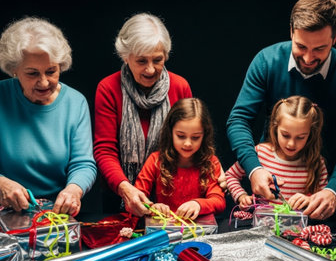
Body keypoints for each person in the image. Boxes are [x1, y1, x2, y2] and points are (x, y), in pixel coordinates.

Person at [227, 0, 336, 220]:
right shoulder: (267, 61)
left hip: (320, 195)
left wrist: (333, 190)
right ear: (291, 31)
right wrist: (254, 168)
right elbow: (239, 120)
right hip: (269, 188)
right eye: (301, 46)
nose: (309, 58)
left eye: (319, 49)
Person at [94, 13, 192, 215]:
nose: (150, 69)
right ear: (125, 56)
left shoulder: (180, 87)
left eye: (158, 60)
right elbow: (105, 150)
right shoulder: (108, 88)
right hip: (120, 195)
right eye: (141, 61)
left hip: (170, 195)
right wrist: (125, 189)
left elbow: (191, 142)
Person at [0, 17, 96, 216]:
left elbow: (83, 163)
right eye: (32, 73)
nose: (44, 82)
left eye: (51, 71)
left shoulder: (75, 102)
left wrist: (73, 190)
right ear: (14, 70)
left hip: (54, 214)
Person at [226, 95, 328, 210]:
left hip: (298, 227)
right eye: (285, 135)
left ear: (310, 134)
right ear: (275, 128)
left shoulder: (316, 163)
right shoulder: (260, 153)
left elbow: (323, 200)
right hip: (263, 225)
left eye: (300, 137)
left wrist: (310, 201)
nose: (291, 144)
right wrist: (241, 196)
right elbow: (230, 176)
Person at [134, 98, 226, 219]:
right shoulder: (155, 160)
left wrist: (198, 204)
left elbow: (219, 201)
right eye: (181, 136)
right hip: (163, 231)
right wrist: (153, 207)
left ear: (204, 135)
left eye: (195, 137)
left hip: (198, 231)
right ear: (170, 132)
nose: (188, 143)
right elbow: (137, 198)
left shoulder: (210, 162)